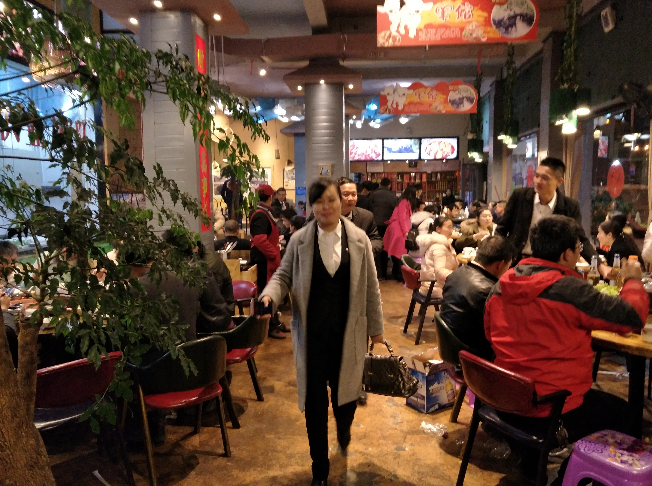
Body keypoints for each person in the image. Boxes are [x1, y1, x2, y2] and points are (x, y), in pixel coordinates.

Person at [484, 215, 648, 484]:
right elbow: (631, 317)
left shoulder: (502, 283)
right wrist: (632, 281)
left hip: (504, 401)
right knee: (628, 415)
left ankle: (531, 463)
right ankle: (567, 477)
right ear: (566, 253)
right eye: (578, 248)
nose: (579, 253)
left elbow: (490, 335)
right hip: (550, 409)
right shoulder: (570, 289)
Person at [260, 179, 384, 486]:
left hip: (348, 336)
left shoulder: (358, 239)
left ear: (341, 202)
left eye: (331, 200)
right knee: (315, 405)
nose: (325, 207)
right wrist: (269, 296)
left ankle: (344, 430)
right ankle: (320, 470)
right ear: (311, 206)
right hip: (312, 337)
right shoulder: (300, 240)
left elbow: (371, 286)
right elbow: (283, 275)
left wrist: (377, 331)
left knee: (346, 401)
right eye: (319, 202)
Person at [496, 157, 600, 270]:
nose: (538, 181)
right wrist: (499, 257)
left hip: (551, 267)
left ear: (559, 182)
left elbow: (580, 239)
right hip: (517, 262)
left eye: (544, 178)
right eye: (536, 176)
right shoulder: (520, 197)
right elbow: (502, 229)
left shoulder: (569, 206)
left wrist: (599, 265)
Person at [440, 236, 513, 360]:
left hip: (448, 343)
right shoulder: (489, 291)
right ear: (500, 265)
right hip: (471, 355)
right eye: (508, 267)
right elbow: (500, 333)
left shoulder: (456, 273)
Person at [162, 230, 234, 334]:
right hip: (219, 321)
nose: (163, 253)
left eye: (164, 249)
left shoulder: (192, 270)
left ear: (172, 250)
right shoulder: (196, 264)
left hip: (215, 329)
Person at [250, 184, 285, 339]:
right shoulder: (261, 215)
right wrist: (273, 255)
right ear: (271, 197)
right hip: (264, 260)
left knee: (271, 290)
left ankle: (275, 322)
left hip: (268, 259)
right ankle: (269, 327)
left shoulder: (264, 212)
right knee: (266, 292)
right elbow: (259, 239)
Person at [415, 216, 459, 298]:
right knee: (468, 294)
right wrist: (460, 275)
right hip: (434, 287)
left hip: (435, 284)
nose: (451, 230)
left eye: (452, 227)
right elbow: (440, 272)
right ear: (438, 229)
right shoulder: (438, 246)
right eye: (449, 227)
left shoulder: (441, 243)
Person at [338, 177, 383, 256]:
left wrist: (362, 250)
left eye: (354, 194)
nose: (351, 198)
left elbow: (377, 240)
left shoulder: (366, 216)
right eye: (346, 194)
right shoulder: (325, 216)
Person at [383, 185, 418, 281]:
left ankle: (397, 274)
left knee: (397, 253)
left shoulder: (404, 201)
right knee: (400, 253)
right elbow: (402, 218)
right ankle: (399, 275)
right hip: (399, 230)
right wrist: (405, 231)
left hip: (398, 229)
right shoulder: (404, 202)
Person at [368, 177, 397, 278]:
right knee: (385, 248)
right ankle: (385, 272)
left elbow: (369, 207)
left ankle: (378, 272)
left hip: (374, 224)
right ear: (389, 185)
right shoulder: (392, 196)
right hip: (387, 225)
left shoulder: (373, 194)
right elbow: (395, 210)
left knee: (376, 247)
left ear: (380, 184)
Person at [0, 241, 19, 368]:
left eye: (15, 261)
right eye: (8, 262)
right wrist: (4, 309)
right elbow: (8, 334)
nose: (13, 265)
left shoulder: (14, 275)